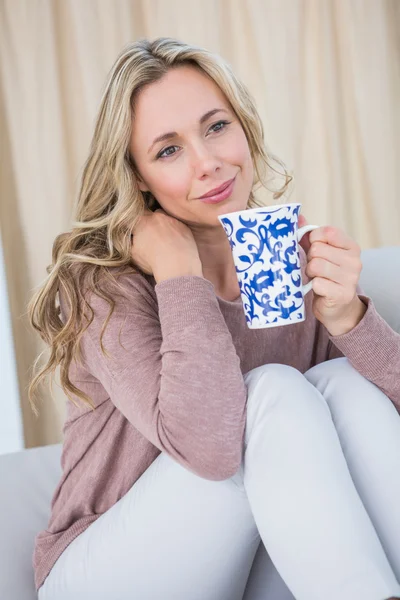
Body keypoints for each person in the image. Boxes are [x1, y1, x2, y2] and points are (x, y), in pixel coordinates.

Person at [27, 37, 400, 600]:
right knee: (275, 386)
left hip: (247, 549)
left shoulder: (273, 256)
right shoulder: (103, 285)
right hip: (105, 567)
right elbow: (210, 450)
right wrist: (179, 276)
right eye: (168, 151)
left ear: (245, 126)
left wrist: (350, 318)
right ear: (137, 178)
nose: (209, 162)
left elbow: (375, 427)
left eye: (217, 126)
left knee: (339, 383)